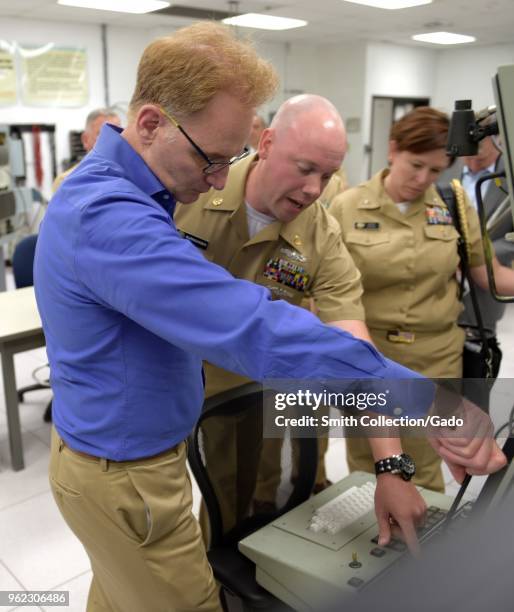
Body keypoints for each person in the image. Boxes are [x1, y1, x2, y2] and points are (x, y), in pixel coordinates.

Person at [33, 22, 504, 611]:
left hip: (195, 424)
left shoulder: (164, 189)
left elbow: (341, 329)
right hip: (131, 461)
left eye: (327, 175)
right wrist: (430, 402)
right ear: (151, 124)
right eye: (212, 160)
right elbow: (251, 325)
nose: (213, 179)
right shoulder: (118, 213)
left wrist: (392, 462)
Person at [175, 93, 368, 534]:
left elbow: (354, 342)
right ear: (266, 144)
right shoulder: (193, 192)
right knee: (192, 516)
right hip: (175, 383)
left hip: (260, 388)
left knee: (257, 498)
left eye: (328, 175)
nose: (315, 189)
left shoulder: (320, 232)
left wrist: (391, 462)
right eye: (304, 169)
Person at [330, 106, 513, 493]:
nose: (422, 179)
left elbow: (492, 276)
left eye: (435, 170)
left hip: (435, 360)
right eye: (415, 165)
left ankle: (426, 552)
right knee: (368, 470)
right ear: (393, 149)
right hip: (369, 359)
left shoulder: (454, 203)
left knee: (428, 467)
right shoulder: (347, 207)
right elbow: (326, 294)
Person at [439, 115, 513, 349]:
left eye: (479, 139)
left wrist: (477, 253)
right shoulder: (442, 171)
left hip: (484, 295)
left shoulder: (509, 177)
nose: (472, 148)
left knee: (476, 365)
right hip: (437, 294)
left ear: (495, 138)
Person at [52, 107, 121, 191]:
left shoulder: (128, 176)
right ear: (85, 140)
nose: (112, 140)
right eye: (103, 134)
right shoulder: (66, 182)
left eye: (117, 134)